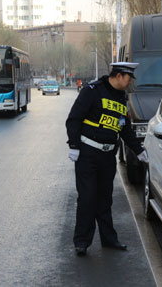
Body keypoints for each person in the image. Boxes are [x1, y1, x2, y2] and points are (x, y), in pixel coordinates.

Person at [66, 62, 148, 257]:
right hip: (87, 155)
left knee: (104, 199)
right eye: (129, 79)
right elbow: (74, 118)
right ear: (118, 76)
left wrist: (139, 150)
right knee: (87, 198)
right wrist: (74, 146)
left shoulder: (121, 98)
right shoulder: (92, 91)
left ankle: (109, 239)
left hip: (107, 156)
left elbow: (124, 128)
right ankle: (82, 242)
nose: (130, 83)